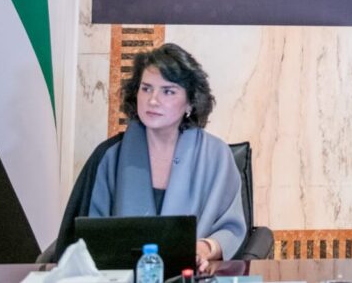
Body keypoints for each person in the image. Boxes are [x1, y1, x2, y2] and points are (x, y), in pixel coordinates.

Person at [53, 43, 246, 268]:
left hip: (193, 276)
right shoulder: (109, 156)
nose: (153, 100)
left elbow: (231, 229)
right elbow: (85, 237)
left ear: (190, 102)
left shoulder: (217, 156)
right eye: (146, 89)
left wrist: (203, 248)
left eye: (168, 91)